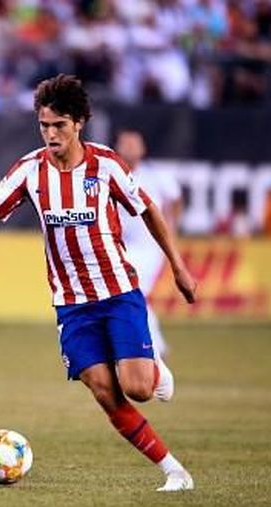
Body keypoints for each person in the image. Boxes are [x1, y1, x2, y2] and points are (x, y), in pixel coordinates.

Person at [0, 74, 196, 492]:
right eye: (43, 125)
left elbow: (148, 211)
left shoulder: (105, 164)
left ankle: (153, 369)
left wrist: (178, 267)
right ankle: (173, 471)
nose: (50, 133)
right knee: (106, 393)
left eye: (59, 125)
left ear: (79, 124)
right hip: (71, 304)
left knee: (138, 388)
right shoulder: (29, 170)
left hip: (118, 293)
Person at [115, 129, 183, 356]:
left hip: (148, 246)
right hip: (119, 245)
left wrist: (170, 229)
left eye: (134, 144)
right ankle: (146, 343)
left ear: (143, 149)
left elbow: (175, 200)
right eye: (125, 144)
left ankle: (154, 344)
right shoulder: (111, 174)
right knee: (127, 293)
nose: (130, 148)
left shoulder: (156, 176)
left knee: (134, 290)